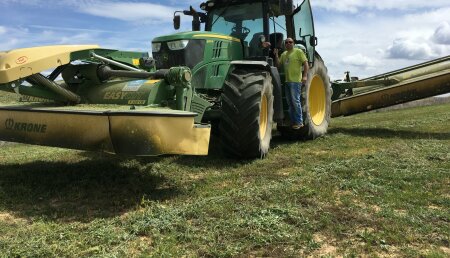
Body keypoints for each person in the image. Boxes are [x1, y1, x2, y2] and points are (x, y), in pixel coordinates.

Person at [273, 37, 309, 129]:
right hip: (287, 81)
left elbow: (306, 64)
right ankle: (293, 122)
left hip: (295, 81)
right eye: (286, 42)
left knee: (295, 101)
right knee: (290, 103)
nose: (288, 43)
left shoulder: (298, 52)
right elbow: (278, 65)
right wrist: (276, 55)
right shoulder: (284, 54)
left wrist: (305, 76)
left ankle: (299, 122)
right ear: (284, 45)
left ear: (293, 43)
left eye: (290, 42)